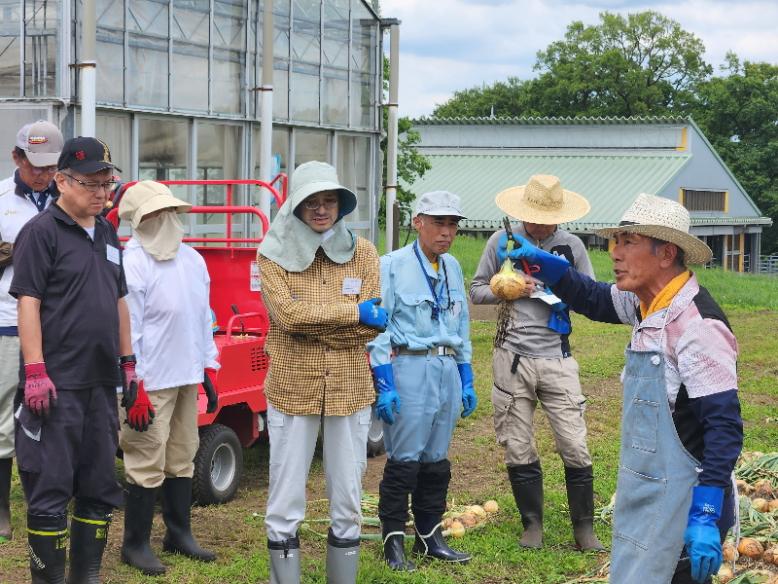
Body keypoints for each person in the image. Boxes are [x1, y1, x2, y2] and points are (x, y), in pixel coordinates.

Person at [503, 193, 742, 584]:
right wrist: (549, 270)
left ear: (666, 254)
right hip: (647, 490)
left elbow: (724, 427)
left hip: (687, 503)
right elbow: (596, 299)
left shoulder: (698, 326)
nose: (614, 253)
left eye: (628, 243)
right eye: (616, 241)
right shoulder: (645, 303)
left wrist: (705, 513)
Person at [10, 136, 139, 583]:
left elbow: (119, 300)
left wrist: (128, 364)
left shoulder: (106, 232)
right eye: (92, 183)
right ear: (62, 182)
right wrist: (35, 370)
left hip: (100, 384)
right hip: (56, 385)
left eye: (108, 183)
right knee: (49, 488)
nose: (102, 193)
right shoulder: (40, 234)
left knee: (98, 487)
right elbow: (28, 302)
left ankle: (86, 576)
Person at [256, 161, 387, 584]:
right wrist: (350, 314)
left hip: (350, 386)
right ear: (296, 206)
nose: (320, 209)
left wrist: (323, 327)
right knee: (286, 494)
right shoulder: (271, 253)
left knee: (348, 494)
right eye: (311, 201)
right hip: (294, 386)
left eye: (328, 200)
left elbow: (373, 325)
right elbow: (288, 317)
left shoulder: (363, 252)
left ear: (340, 205)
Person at [470, 174, 604, 551]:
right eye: (534, 216)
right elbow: (477, 290)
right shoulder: (503, 241)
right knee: (516, 443)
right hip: (510, 356)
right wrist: (506, 288)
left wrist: (557, 285)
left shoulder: (571, 246)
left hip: (557, 358)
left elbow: (589, 295)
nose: (542, 225)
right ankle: (532, 525)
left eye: (549, 218)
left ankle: (584, 528)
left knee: (574, 443)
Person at [367, 191, 477, 572]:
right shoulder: (392, 265)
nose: (447, 232)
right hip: (411, 366)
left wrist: (466, 376)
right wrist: (385, 382)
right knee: (405, 461)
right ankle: (392, 541)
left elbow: (461, 324)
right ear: (418, 222)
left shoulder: (453, 268)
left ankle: (430, 537)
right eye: (439, 223)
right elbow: (378, 327)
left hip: (446, 368)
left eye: (452, 225)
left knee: (437, 461)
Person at [117, 180, 220, 576]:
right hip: (149, 381)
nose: (167, 220)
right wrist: (133, 384)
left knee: (182, 455)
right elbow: (129, 330)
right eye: (157, 214)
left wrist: (208, 368)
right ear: (141, 220)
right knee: (145, 457)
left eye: (170, 213)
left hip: (185, 374)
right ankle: (135, 544)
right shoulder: (132, 263)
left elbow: (202, 318)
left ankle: (179, 534)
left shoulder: (193, 260)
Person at [0, 120, 63, 544]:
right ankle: (2, 508)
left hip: (60, 322)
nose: (42, 174)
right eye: (34, 164)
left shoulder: (71, 196)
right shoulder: (1, 199)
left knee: (58, 410)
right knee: (5, 415)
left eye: (51, 166)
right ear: (17, 158)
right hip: (7, 320)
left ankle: (54, 497)